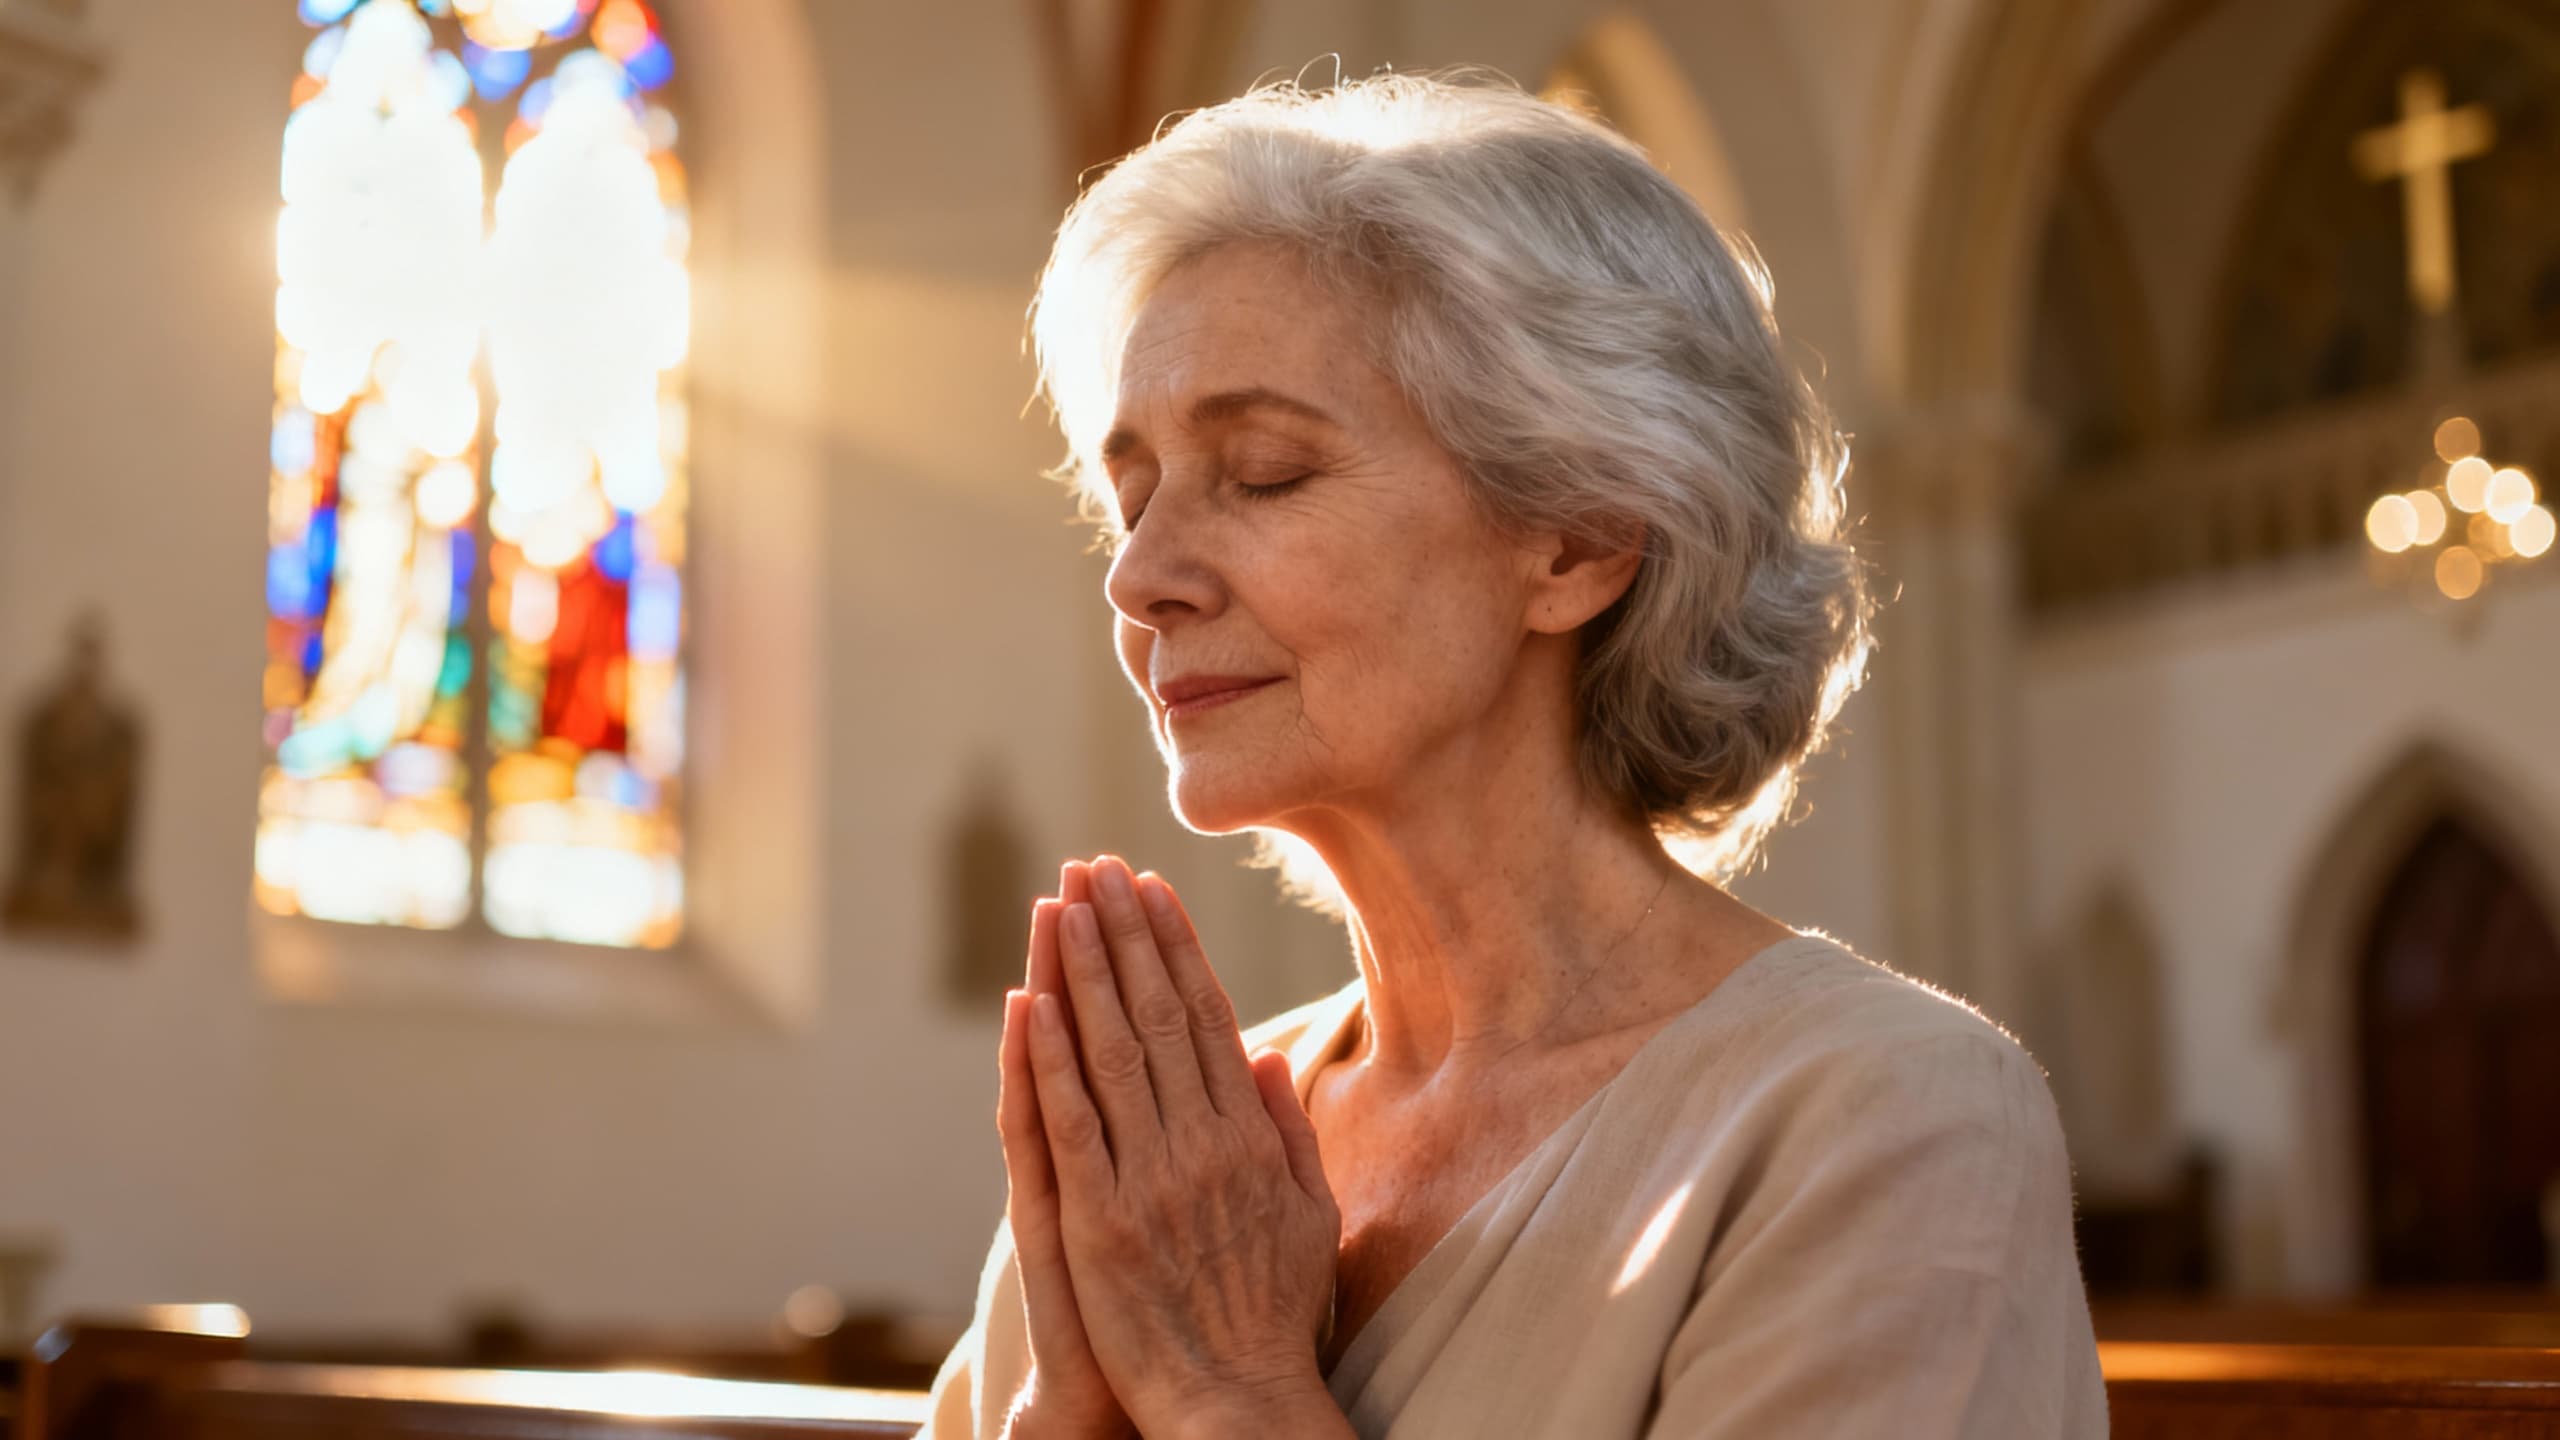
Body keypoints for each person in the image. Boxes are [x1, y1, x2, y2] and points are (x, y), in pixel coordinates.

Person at [924, 72, 2105, 1439]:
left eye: (1261, 473)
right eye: (1132, 497)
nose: (1138, 576)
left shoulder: (1888, 1115)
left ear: (1580, 540)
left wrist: (1221, 1391)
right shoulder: (1170, 1154)